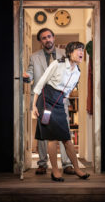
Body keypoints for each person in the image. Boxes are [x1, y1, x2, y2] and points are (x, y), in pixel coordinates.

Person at [32, 41, 90, 182]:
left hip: (59, 102)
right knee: (52, 138)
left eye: (82, 50)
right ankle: (55, 171)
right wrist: (34, 105)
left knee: (67, 138)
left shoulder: (77, 72)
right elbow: (41, 82)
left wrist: (64, 101)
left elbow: (68, 91)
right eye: (78, 50)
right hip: (46, 100)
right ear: (70, 52)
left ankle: (77, 169)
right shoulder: (57, 64)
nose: (81, 52)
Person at [23, 28, 75, 175]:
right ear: (40, 41)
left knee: (63, 131)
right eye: (44, 38)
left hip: (59, 100)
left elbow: (70, 74)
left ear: (54, 37)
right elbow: (31, 73)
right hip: (44, 101)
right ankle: (42, 163)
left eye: (49, 37)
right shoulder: (34, 57)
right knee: (44, 129)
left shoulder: (64, 55)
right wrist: (27, 77)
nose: (47, 40)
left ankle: (67, 164)